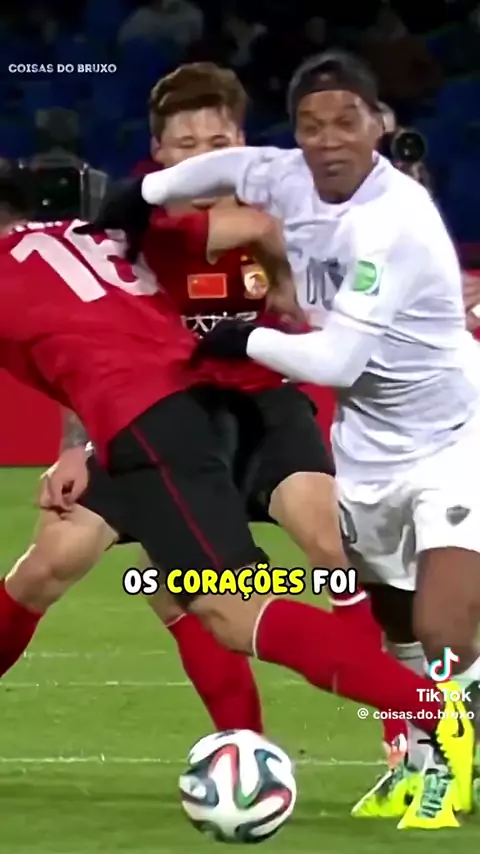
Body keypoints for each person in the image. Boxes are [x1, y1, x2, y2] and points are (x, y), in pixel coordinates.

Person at [0, 169, 472, 833]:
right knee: (166, 586)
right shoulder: (89, 234)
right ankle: (402, 715)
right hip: (194, 404)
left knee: (228, 607)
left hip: (152, 422)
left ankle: (436, 711)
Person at [130, 48, 480, 830]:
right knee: (394, 622)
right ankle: (425, 748)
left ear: (380, 124)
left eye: (346, 122)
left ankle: (448, 758)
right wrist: (134, 198)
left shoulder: (387, 220)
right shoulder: (283, 182)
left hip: (453, 435)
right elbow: (221, 175)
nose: (327, 140)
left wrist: (241, 337)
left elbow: (334, 360)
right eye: (311, 125)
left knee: (440, 624)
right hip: (365, 441)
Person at [35, 64, 387, 746]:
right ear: (159, 153)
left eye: (218, 143)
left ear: (240, 143)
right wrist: (75, 447)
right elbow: (87, 352)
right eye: (186, 145)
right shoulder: (131, 230)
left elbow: (317, 297)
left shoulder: (280, 209)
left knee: (332, 543)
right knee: (64, 563)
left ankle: (406, 733)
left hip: (261, 408)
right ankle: (244, 746)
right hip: (161, 419)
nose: (202, 158)